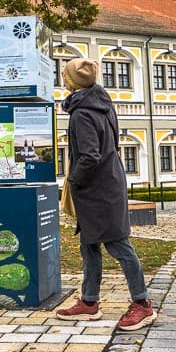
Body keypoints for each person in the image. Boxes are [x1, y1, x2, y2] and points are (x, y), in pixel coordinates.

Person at [54, 58, 157, 331]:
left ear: (72, 80)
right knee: (89, 244)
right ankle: (89, 301)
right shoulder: (102, 104)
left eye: (65, 75)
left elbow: (89, 156)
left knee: (118, 245)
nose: (63, 79)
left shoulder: (82, 113)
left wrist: (73, 181)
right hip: (106, 183)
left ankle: (142, 304)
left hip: (98, 190)